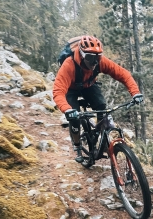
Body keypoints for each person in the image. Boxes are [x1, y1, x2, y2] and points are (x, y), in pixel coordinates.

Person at [53, 35, 143, 163]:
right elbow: (58, 91)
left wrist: (135, 93)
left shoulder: (100, 62)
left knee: (101, 107)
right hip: (71, 89)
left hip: (89, 85)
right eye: (90, 57)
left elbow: (123, 74)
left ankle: (101, 136)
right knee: (74, 118)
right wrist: (67, 109)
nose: (95, 62)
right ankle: (77, 145)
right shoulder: (69, 65)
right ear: (82, 55)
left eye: (98, 57)